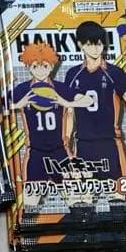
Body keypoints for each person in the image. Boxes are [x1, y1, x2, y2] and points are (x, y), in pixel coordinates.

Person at [11, 43, 92, 185]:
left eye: (45, 66)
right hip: (35, 152)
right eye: (35, 66)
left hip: (59, 150)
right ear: (28, 66)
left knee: (74, 192)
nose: (40, 71)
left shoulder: (60, 88)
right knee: (31, 195)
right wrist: (17, 105)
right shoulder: (22, 89)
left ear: (52, 66)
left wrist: (65, 102)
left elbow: (88, 100)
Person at [65, 21, 126, 181]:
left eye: (98, 44)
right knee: (83, 194)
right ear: (80, 44)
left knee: (117, 193)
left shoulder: (115, 73)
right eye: (90, 44)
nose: (95, 48)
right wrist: (66, 144)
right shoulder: (72, 74)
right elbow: (69, 112)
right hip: (83, 144)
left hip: (109, 144)